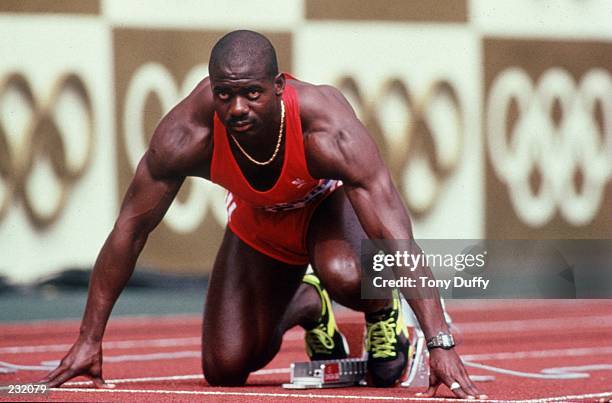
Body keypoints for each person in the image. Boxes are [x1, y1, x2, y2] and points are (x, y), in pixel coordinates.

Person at [41, 30, 484, 399]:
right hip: (260, 223)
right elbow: (130, 230)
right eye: (225, 95)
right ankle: (309, 305)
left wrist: (438, 339)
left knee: (346, 272)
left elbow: (391, 230)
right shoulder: (186, 135)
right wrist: (89, 339)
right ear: (211, 88)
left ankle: (381, 311)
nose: (237, 109)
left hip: (325, 212)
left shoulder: (326, 126)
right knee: (225, 367)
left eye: (252, 93)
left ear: (278, 86)